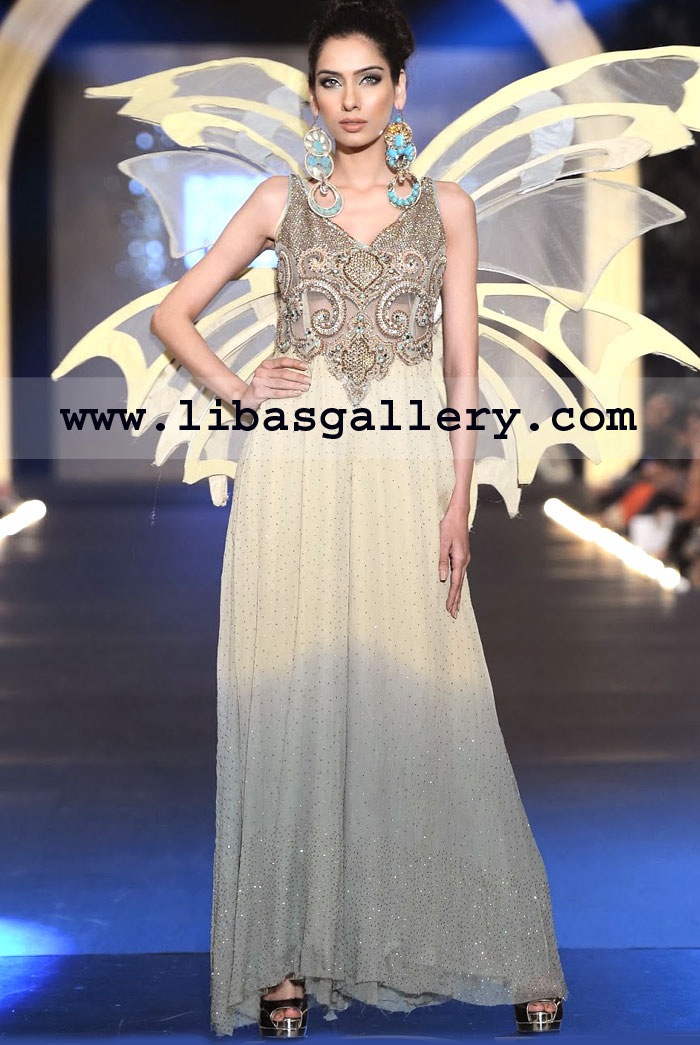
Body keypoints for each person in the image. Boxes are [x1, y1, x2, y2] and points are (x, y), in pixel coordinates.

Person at [149, 0, 568, 1036]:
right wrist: (238, 388)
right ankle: (282, 962)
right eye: (332, 82)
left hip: (407, 469)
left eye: (368, 79)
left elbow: (462, 368)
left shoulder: (449, 207)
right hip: (294, 474)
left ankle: (508, 946)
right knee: (288, 695)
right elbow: (172, 314)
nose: (350, 100)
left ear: (399, 89)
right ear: (313, 95)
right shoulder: (276, 200)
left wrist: (458, 496)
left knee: (438, 696)